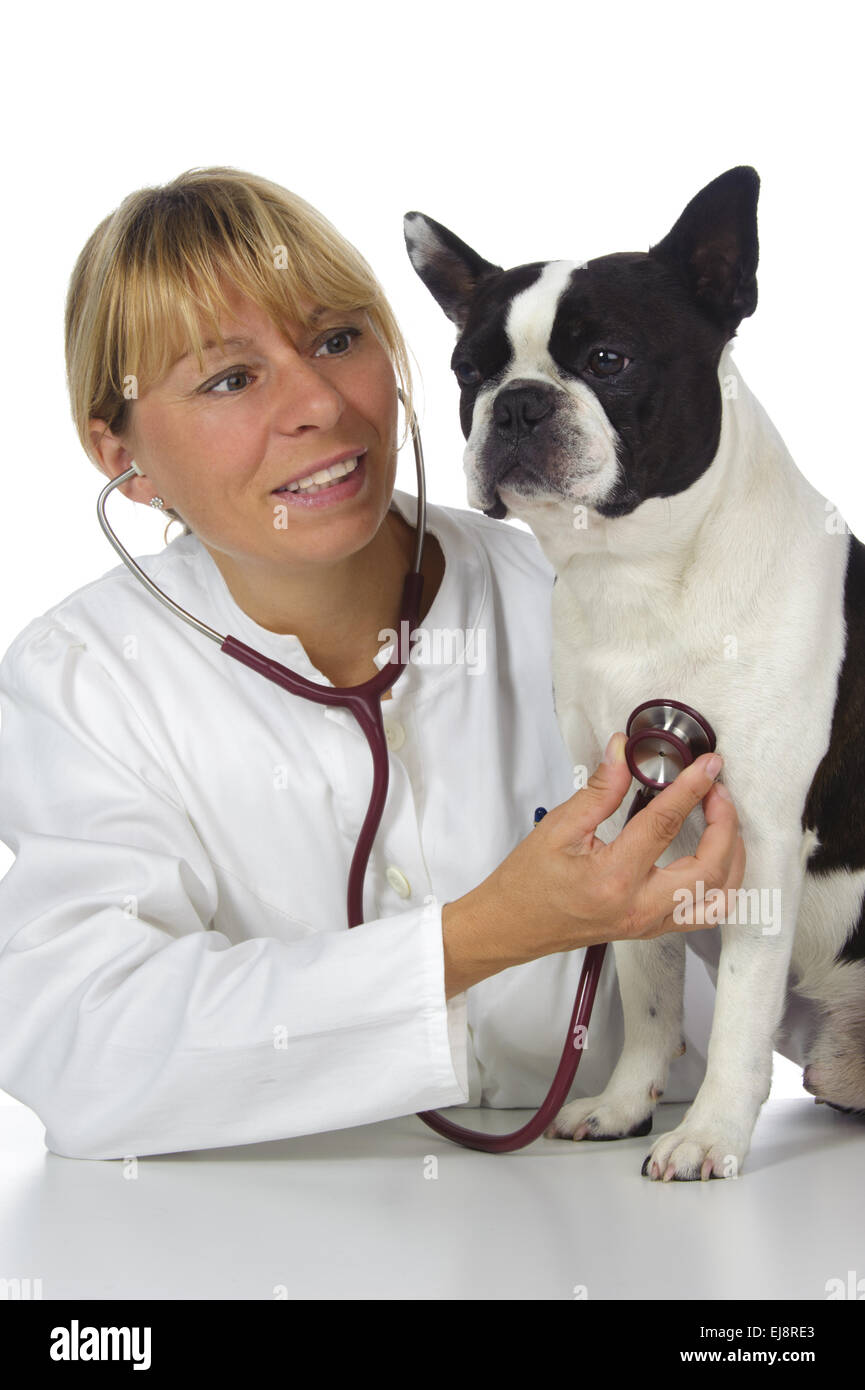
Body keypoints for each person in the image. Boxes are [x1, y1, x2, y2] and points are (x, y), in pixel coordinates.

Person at [0, 167, 747, 1161]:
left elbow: (796, 914)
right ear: (120, 457)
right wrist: (484, 933)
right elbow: (81, 1048)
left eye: (335, 340)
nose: (317, 402)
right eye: (229, 378)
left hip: (651, 1237)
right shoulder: (84, 678)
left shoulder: (593, 598)